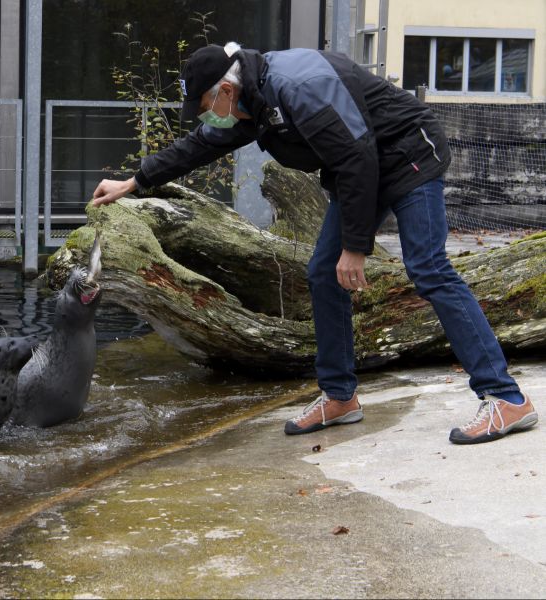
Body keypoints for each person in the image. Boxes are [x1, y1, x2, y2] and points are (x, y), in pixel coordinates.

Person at [91, 42, 538, 445]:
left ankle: (505, 397)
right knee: (323, 272)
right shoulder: (250, 100)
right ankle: (340, 396)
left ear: (225, 90)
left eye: (204, 103)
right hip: (362, 166)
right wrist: (135, 180)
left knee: (427, 267)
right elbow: (199, 146)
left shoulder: (299, 85)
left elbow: (359, 157)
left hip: (407, 156)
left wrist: (356, 247)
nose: (204, 114)